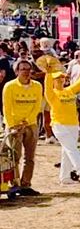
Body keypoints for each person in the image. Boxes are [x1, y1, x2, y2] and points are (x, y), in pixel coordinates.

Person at [44, 61, 80, 184]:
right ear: (53, 81)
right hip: (59, 124)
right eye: (58, 78)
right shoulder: (52, 94)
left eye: (62, 78)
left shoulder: (70, 90)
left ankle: (65, 178)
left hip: (73, 124)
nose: (61, 80)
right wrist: (49, 73)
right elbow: (47, 86)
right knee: (72, 148)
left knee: (67, 150)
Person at [2, 58, 43, 196]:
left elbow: (37, 105)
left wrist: (26, 122)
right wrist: (14, 125)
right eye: (22, 69)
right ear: (16, 71)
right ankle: (14, 184)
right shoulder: (9, 86)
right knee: (14, 157)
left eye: (28, 69)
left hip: (31, 125)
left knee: (30, 157)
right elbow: (6, 108)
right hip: (14, 126)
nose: (26, 72)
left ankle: (26, 184)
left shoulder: (37, 86)